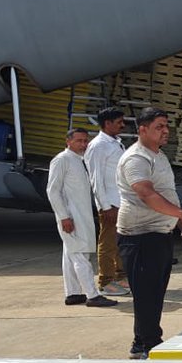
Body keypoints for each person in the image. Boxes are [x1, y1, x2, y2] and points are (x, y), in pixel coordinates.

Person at [117, 107, 182, 359]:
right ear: (142, 129)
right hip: (140, 234)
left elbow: (165, 193)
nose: (166, 131)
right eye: (159, 126)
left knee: (155, 292)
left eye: (166, 126)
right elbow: (146, 194)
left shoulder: (158, 155)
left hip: (157, 232)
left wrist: (176, 220)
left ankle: (145, 341)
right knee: (146, 294)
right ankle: (146, 345)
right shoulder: (136, 158)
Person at [47, 129, 116, 308]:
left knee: (70, 254)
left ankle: (73, 293)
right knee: (80, 255)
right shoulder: (62, 160)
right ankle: (92, 295)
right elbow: (52, 191)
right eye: (79, 141)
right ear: (68, 141)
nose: (83, 144)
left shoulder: (79, 161)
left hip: (80, 215)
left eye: (85, 141)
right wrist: (64, 217)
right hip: (71, 216)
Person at [84, 107, 129, 296]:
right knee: (108, 243)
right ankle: (105, 281)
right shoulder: (98, 146)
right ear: (107, 124)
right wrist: (105, 206)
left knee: (120, 242)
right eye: (119, 122)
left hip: (121, 201)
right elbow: (95, 179)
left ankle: (121, 276)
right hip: (109, 203)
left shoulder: (116, 143)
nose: (123, 125)